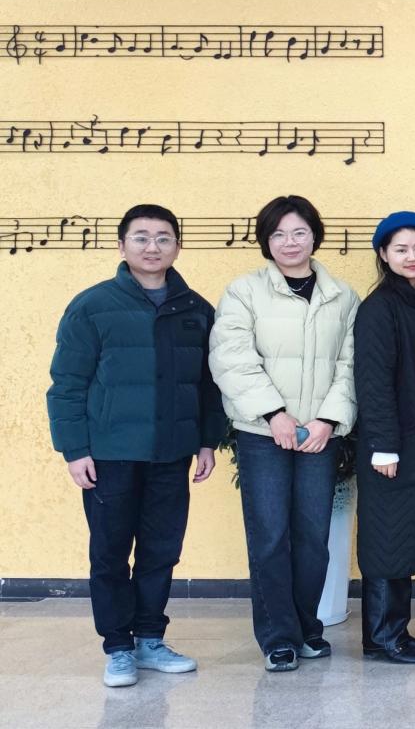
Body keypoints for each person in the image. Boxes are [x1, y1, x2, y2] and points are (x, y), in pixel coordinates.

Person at [48, 204, 225, 688]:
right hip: (109, 455)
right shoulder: (92, 306)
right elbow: (67, 384)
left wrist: (207, 440)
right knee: (109, 552)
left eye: (163, 238)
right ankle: (118, 647)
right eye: (141, 237)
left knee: (161, 550)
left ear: (177, 247)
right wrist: (74, 449)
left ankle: (149, 639)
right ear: (122, 245)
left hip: (172, 452)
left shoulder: (195, 309)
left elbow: (210, 385)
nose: (152, 247)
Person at [210, 195, 360, 673]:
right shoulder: (243, 292)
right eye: (278, 234)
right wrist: (274, 414)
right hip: (262, 434)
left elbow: (350, 365)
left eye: (299, 232)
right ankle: (279, 637)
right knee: (270, 536)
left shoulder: (343, 297)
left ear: (315, 236)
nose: (289, 242)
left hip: (319, 435)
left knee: (313, 537)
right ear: (265, 241)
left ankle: (308, 628)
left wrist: (327, 421)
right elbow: (232, 358)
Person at [352, 212, 415, 665]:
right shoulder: (379, 308)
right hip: (391, 445)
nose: (412, 256)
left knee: (405, 534)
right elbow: (373, 382)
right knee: (385, 538)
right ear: (383, 255)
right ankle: (380, 637)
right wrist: (382, 447)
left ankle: (398, 630)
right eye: (401, 249)